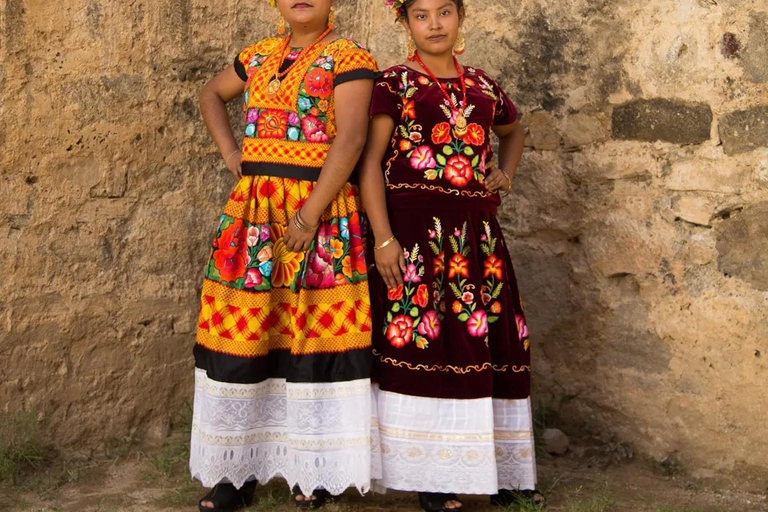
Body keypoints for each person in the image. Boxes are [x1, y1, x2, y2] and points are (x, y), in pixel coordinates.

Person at [190, 1, 378, 510]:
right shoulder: (257, 55)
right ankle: (235, 470)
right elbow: (210, 95)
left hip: (317, 214)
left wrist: (309, 214)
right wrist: (235, 156)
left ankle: (311, 469)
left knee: (311, 335)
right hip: (254, 217)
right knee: (245, 335)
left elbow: (352, 138)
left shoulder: (348, 56)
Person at [360, 0, 542, 510]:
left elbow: (514, 130)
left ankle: (499, 470)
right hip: (414, 239)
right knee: (424, 347)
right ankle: (432, 478)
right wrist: (383, 239)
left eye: (444, 12)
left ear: (461, 17)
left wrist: (505, 173)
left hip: (477, 240)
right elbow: (369, 164)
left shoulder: (483, 86)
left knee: (489, 343)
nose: (434, 24)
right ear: (406, 22)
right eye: (421, 15)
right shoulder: (392, 83)